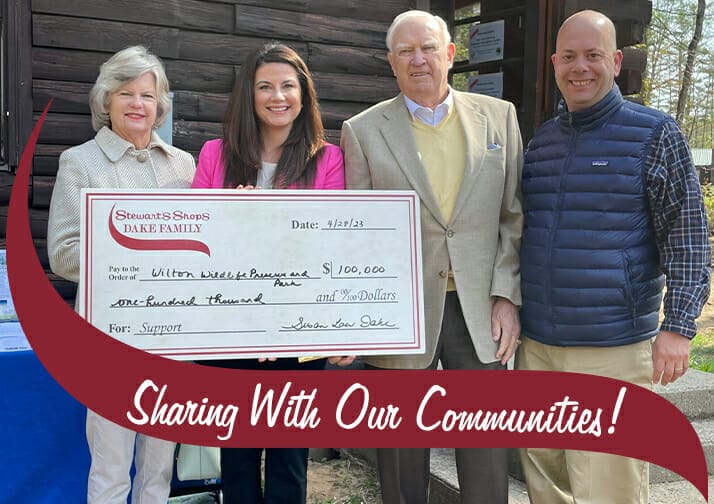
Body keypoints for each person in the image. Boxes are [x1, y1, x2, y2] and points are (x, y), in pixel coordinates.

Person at [517, 10, 711, 504]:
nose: (579, 67)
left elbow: (687, 237)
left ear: (617, 61)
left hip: (612, 348)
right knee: (547, 482)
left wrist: (678, 326)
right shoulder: (542, 142)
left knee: (609, 490)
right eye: (569, 57)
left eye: (593, 55)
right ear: (555, 63)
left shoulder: (655, 134)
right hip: (538, 346)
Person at [337, 9, 523, 504]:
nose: (418, 59)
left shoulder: (499, 118)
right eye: (405, 52)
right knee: (400, 454)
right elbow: (356, 235)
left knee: (486, 451)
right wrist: (357, 318)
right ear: (391, 63)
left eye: (427, 48)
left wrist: (506, 297)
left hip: (479, 307)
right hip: (401, 312)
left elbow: (513, 216)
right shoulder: (361, 131)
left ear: (450, 54)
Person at [191, 42, 345, 503]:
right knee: (236, 459)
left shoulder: (327, 159)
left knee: (289, 458)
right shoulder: (214, 154)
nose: (277, 96)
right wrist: (229, 218)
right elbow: (195, 244)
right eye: (265, 86)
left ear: (304, 94)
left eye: (288, 86)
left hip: (300, 329)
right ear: (248, 95)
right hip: (229, 328)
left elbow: (330, 242)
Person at [47, 46, 196, 503]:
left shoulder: (183, 165)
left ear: (160, 104)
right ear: (106, 100)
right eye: (126, 93)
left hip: (172, 337)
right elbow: (63, 254)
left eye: (148, 95)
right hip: (110, 341)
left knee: (158, 472)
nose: (137, 104)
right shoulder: (81, 162)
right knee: (111, 470)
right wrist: (138, 257)